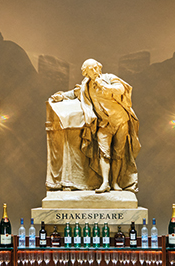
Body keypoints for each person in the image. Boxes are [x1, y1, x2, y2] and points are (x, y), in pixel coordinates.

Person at [50, 59, 140, 194]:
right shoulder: (86, 85)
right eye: (91, 69)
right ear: (85, 73)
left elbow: (121, 89)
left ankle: (115, 182)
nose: (95, 71)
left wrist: (104, 87)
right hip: (104, 124)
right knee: (103, 152)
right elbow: (76, 93)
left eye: (96, 67)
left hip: (121, 120)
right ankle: (105, 182)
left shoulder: (109, 78)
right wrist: (61, 96)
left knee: (118, 153)